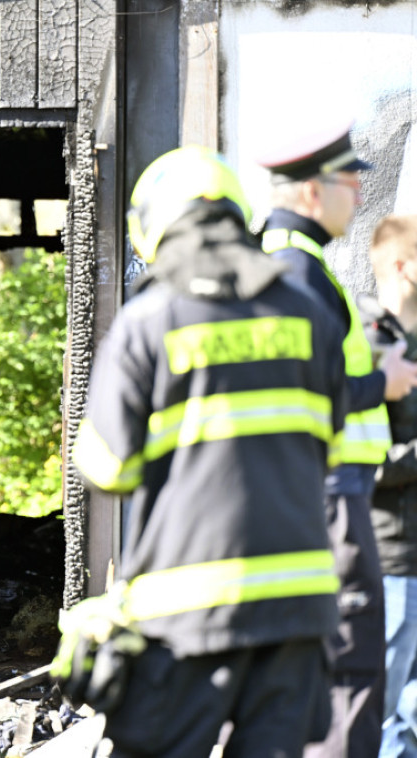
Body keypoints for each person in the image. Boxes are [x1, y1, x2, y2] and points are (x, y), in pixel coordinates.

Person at [52, 145, 349, 757]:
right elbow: (334, 448)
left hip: (182, 619)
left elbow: (104, 467)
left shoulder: (150, 320)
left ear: (155, 229)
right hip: (298, 612)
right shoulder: (308, 313)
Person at [257, 122, 417, 758]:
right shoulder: (294, 271)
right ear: (312, 192)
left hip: (336, 493)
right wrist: (380, 382)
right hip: (333, 494)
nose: (359, 196)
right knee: (351, 670)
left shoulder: (305, 267)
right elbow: (297, 392)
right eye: (351, 182)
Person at [364, 214, 417, 758]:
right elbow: (361, 459)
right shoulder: (368, 343)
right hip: (392, 556)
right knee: (382, 710)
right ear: (403, 266)